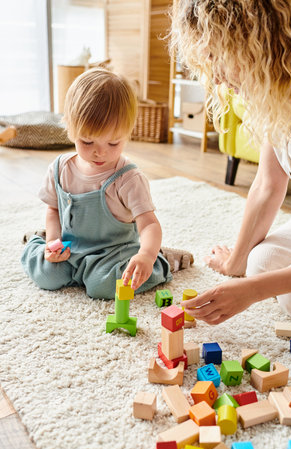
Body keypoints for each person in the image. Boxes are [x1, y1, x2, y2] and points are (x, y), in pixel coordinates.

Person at [170, 0, 291, 324]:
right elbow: (268, 185)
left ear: (259, 46)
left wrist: (252, 292)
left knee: (288, 295)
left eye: (218, 58)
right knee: (261, 263)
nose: (216, 79)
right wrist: (236, 265)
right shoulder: (281, 98)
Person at [21, 68, 193, 299]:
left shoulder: (128, 178)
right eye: (87, 141)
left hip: (115, 254)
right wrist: (53, 241)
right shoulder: (60, 168)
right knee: (47, 276)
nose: (100, 152)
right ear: (69, 128)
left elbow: (149, 224)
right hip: (72, 249)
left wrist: (146, 255)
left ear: (128, 133)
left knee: (101, 287)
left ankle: (162, 261)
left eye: (113, 143)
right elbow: (53, 209)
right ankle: (40, 239)